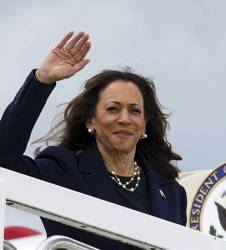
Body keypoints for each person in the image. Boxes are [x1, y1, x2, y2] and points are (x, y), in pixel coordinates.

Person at [0, 32, 187, 250]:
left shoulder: (172, 193)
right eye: (113, 109)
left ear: (144, 125)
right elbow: (3, 158)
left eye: (134, 111)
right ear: (91, 121)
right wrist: (42, 80)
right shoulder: (63, 171)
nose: (124, 119)